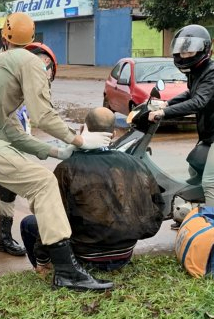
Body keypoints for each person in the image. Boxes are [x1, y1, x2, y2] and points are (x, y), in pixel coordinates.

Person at [0, 11, 114, 291]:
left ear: (3, 38)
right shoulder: (30, 61)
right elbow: (43, 116)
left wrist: (56, 152)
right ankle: (67, 270)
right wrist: (79, 141)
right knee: (42, 183)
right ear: (33, 41)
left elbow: (10, 131)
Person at [21, 107, 165, 270]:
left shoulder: (67, 168)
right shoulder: (136, 164)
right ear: (113, 135)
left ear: (82, 130)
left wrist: (42, 256)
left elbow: (51, 216)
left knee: (29, 223)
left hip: (84, 258)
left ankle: (45, 267)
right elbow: (157, 207)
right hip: (124, 255)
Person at [0, 42, 59, 266]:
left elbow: (37, 113)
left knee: (9, 192)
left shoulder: (30, 86)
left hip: (12, 145)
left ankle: (4, 238)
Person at [148, 24, 214, 211]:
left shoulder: (213, 69)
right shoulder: (196, 70)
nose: (184, 55)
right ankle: (191, 214)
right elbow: (190, 94)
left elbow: (198, 101)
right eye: (182, 52)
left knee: (209, 181)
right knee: (195, 170)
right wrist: (167, 103)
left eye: (189, 52)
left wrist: (163, 112)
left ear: (203, 49)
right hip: (209, 137)